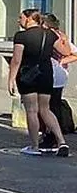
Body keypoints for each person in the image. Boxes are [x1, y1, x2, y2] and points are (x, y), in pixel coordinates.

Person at [9, 9, 72, 156]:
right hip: (46, 74)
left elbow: (16, 60)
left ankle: (34, 146)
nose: (19, 21)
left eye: (21, 18)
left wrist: (11, 79)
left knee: (32, 110)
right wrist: (64, 39)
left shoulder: (21, 36)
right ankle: (61, 142)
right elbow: (65, 52)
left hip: (28, 75)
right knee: (45, 109)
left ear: (30, 19)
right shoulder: (49, 34)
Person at [40, 13, 75, 156]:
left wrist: (60, 62)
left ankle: (53, 136)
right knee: (50, 105)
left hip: (55, 74)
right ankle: (52, 135)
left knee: (50, 106)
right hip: (54, 74)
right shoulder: (56, 35)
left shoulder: (57, 36)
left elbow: (72, 53)